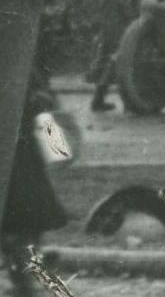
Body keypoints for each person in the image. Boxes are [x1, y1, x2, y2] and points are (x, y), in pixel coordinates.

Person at [4, 52, 68, 296]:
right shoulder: (18, 56)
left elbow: (42, 106)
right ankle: (25, 270)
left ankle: (24, 271)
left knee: (22, 219)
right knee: (23, 219)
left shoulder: (19, 58)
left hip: (22, 157)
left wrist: (57, 147)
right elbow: (43, 104)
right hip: (20, 158)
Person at [89, 0, 135, 112]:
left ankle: (98, 101)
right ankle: (101, 102)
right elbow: (111, 24)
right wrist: (118, 44)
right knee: (111, 71)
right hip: (114, 40)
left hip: (115, 39)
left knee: (108, 72)